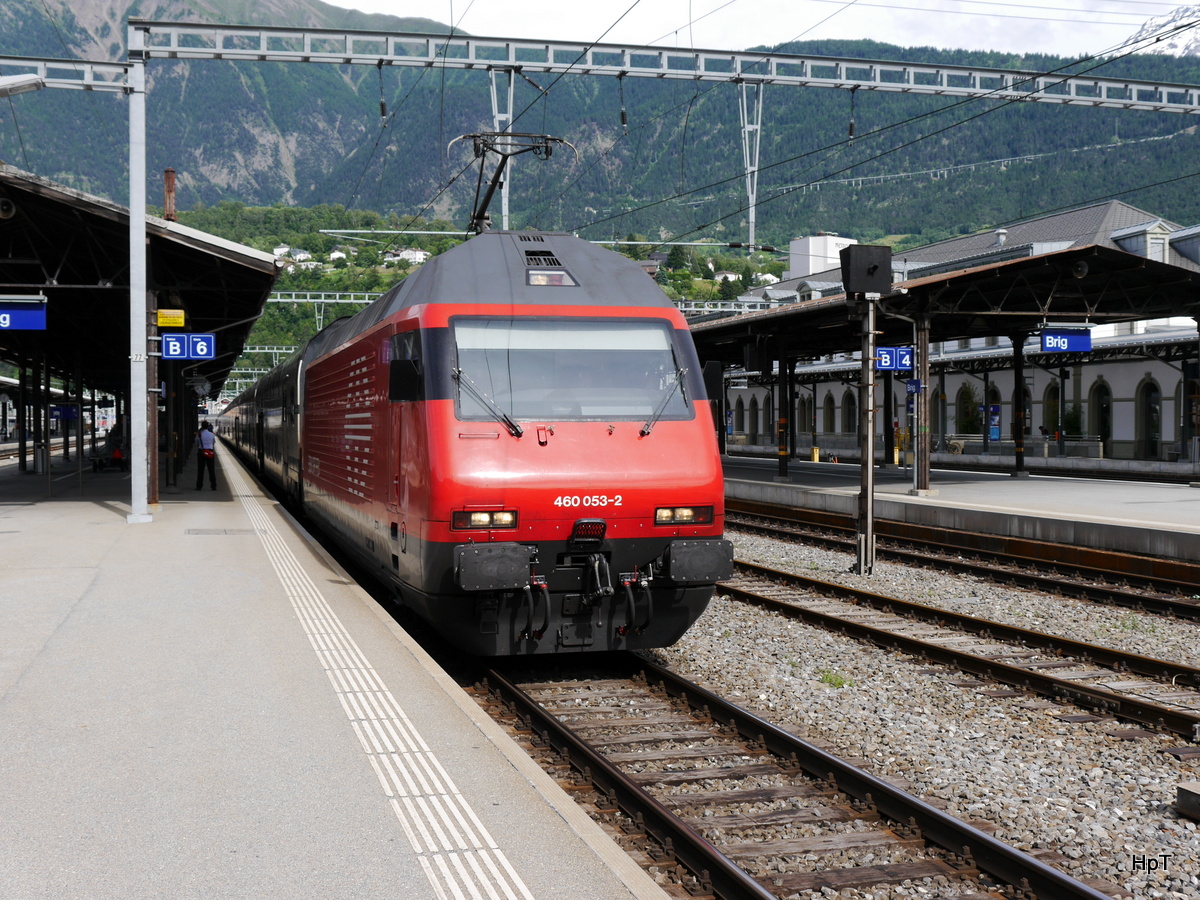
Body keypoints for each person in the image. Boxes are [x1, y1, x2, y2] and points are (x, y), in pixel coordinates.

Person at [195, 421, 217, 491]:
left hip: (201, 453)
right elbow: (213, 442)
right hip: (210, 453)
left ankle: (199, 486)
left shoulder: (199, 434)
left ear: (202, 426)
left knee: (200, 470)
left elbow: (196, 443)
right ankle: (213, 486)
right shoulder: (211, 434)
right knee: (211, 470)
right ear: (208, 426)